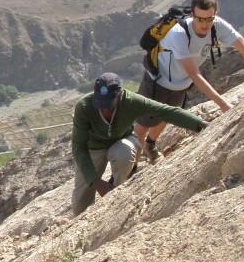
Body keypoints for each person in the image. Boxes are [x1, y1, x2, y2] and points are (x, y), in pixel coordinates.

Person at [134, 0, 244, 163]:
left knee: (167, 116)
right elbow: (195, 74)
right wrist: (224, 105)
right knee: (143, 124)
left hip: (180, 83)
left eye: (209, 19)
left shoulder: (218, 26)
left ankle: (150, 145)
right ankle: (132, 168)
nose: (204, 24)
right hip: (157, 80)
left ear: (215, 15)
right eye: (200, 19)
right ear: (192, 15)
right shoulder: (179, 33)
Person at [72, 72, 207, 216]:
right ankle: (82, 223)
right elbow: (79, 147)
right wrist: (96, 181)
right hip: (93, 148)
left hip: (121, 140)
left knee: (124, 153)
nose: (105, 110)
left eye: (109, 106)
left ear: (120, 95)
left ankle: (114, 193)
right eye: (101, 105)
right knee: (81, 200)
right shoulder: (84, 107)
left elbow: (165, 111)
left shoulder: (130, 101)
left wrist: (200, 124)